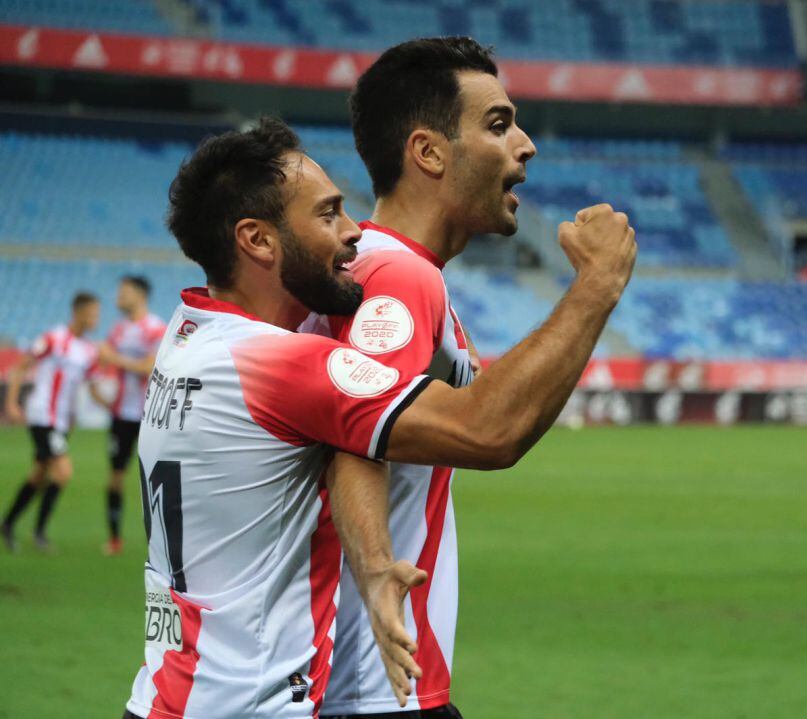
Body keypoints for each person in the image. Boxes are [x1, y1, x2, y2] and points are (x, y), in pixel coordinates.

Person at [122, 117, 635, 719]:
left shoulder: (186, 338)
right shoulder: (281, 366)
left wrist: (370, 563)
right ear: (258, 241)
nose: (352, 235)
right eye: (328, 214)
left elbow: (351, 444)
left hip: (167, 695)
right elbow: (487, 430)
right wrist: (596, 284)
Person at [304, 36, 536, 718]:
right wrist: (595, 289)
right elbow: (355, 434)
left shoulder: (384, 268)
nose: (525, 145)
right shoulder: (397, 274)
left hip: (366, 682)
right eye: (498, 124)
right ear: (429, 152)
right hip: (374, 686)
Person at [2, 292, 102, 552]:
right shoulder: (53, 339)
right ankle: (39, 533)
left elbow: (88, 387)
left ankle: (8, 524)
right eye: (92, 313)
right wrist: (12, 403)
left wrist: (104, 407)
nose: (95, 319)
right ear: (78, 312)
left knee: (38, 475)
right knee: (62, 472)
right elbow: (22, 366)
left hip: (60, 421)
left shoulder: (88, 351)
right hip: (42, 416)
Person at [97, 275, 167, 555]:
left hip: (151, 414)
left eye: (124, 291)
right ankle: (114, 539)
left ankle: (162, 542)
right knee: (115, 476)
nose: (119, 296)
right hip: (121, 414)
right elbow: (104, 358)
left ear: (140, 295)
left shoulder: (156, 328)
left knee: (157, 478)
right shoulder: (118, 329)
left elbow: (148, 367)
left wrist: (113, 358)